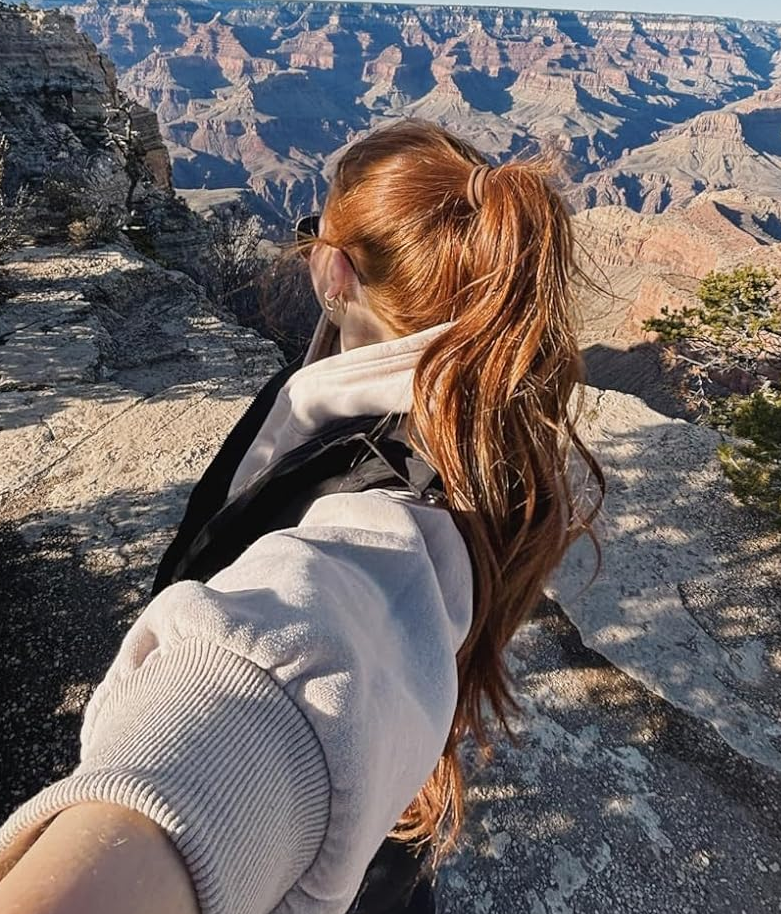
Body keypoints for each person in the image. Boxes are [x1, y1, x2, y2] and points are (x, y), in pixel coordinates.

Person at [0, 118, 603, 914]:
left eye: (315, 228)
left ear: (332, 268)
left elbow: (292, 651)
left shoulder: (385, 521)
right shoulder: (480, 420)